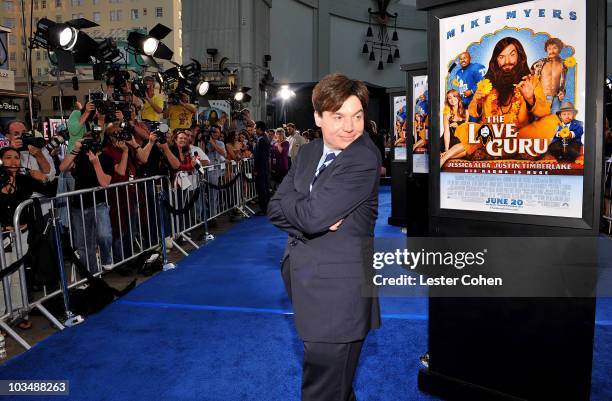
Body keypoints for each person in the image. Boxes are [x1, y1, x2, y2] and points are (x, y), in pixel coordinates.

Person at [268, 73, 381, 401]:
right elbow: (275, 208)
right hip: (307, 284)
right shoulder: (307, 152)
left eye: (357, 116)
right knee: (335, 389)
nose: (350, 127)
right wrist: (306, 212)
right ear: (318, 117)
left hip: (338, 296)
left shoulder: (362, 157)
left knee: (323, 391)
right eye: (339, 117)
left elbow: (312, 216)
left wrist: (306, 212)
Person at [446, 37, 559, 163]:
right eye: (501, 57)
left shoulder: (530, 81)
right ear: (496, 61)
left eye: (512, 55)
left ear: (520, 57)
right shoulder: (486, 83)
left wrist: (530, 99)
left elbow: (545, 111)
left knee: (551, 120)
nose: (507, 61)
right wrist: (477, 102)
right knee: (466, 128)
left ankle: (494, 151)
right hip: (491, 135)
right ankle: (497, 150)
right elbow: (473, 112)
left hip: (519, 136)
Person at [531, 37, 568, 115]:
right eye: (549, 48)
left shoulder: (564, 65)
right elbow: (529, 78)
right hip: (542, 99)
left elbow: (563, 82)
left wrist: (562, 93)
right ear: (546, 50)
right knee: (539, 124)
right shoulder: (539, 64)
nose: (552, 51)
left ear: (559, 49)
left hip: (556, 99)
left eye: (555, 48)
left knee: (554, 124)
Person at [440, 89, 468, 155]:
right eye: (449, 98)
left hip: (459, 140)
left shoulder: (466, 112)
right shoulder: (447, 113)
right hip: (448, 141)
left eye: (454, 96)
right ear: (448, 100)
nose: (452, 99)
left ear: (458, 97)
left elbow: (465, 131)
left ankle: (444, 156)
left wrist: (458, 127)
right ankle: (446, 154)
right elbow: (446, 132)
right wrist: (446, 149)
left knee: (466, 152)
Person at [253, 121, 270, 215]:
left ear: (259, 129)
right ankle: (265, 208)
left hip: (261, 169)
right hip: (264, 168)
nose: (255, 130)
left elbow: (259, 157)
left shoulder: (261, 140)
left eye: (255, 128)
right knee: (265, 189)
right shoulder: (265, 138)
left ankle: (264, 209)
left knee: (262, 189)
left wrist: (256, 169)